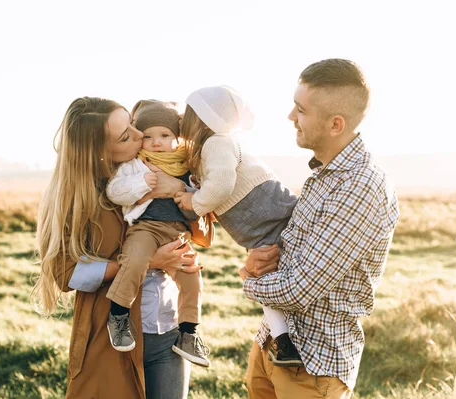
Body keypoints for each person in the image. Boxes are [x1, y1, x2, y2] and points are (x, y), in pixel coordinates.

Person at [238, 59, 400, 398]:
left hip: (314, 367)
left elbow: (299, 290)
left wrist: (250, 282)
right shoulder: (322, 177)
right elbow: (293, 262)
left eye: (300, 110)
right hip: (273, 347)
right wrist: (262, 261)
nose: (290, 117)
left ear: (335, 124)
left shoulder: (360, 188)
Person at [31, 97, 211, 399]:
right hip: (111, 338)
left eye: (131, 123)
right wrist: (148, 262)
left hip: (167, 328)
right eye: (126, 135)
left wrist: (179, 189)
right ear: (100, 151)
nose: (140, 135)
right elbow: (65, 273)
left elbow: (202, 231)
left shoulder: (162, 166)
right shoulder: (77, 200)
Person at [173, 85, 301, 367]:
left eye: (187, 113)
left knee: (265, 272)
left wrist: (195, 202)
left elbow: (220, 185)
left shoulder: (217, 142)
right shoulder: (212, 147)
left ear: (202, 118)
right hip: (255, 224)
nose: (181, 119)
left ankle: (285, 338)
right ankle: (284, 341)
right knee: (263, 275)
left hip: (265, 212)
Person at [105, 99, 211, 368]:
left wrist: (182, 190)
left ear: (177, 138)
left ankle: (188, 332)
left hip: (178, 234)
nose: (156, 142)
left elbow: (201, 206)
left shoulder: (188, 167)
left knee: (191, 275)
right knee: (135, 259)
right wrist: (142, 183)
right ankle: (118, 314)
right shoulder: (135, 165)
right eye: (148, 136)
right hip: (146, 227)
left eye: (164, 135)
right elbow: (114, 191)